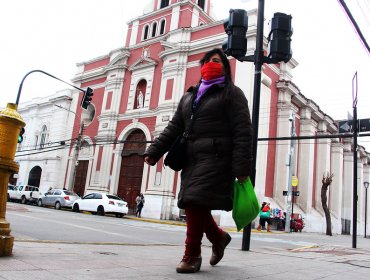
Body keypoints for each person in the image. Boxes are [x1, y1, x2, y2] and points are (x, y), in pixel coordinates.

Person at [144, 48, 253, 274]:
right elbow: (175, 127)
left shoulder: (232, 94)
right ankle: (218, 237)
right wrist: (154, 150)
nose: (211, 64)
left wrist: (242, 168)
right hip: (191, 158)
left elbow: (243, 132)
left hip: (217, 157)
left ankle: (192, 254)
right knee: (194, 202)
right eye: (207, 61)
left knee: (193, 201)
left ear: (225, 66)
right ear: (201, 67)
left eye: (216, 60)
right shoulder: (189, 96)